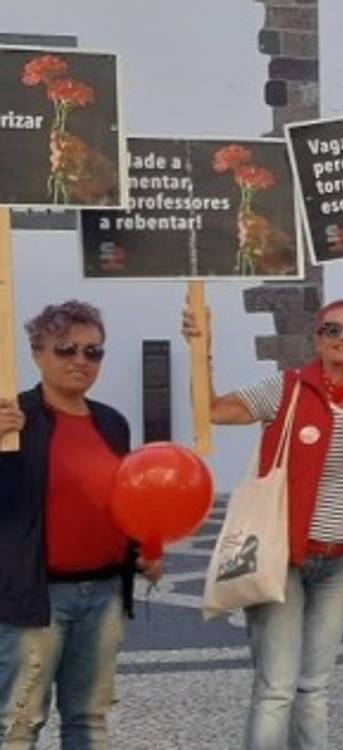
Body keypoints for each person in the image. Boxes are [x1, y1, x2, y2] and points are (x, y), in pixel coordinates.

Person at [184, 297, 343, 750]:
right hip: (284, 557)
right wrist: (200, 352)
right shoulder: (288, 389)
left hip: (339, 562)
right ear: (317, 339)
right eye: (333, 329)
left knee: (314, 687)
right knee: (276, 688)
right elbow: (215, 411)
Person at [0, 300, 161, 748]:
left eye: (94, 352)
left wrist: (140, 550)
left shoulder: (111, 423)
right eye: (66, 349)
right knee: (18, 723)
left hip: (104, 593)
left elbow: (121, 501)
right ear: (37, 352)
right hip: (34, 597)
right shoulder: (14, 420)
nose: (80, 361)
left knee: (88, 721)